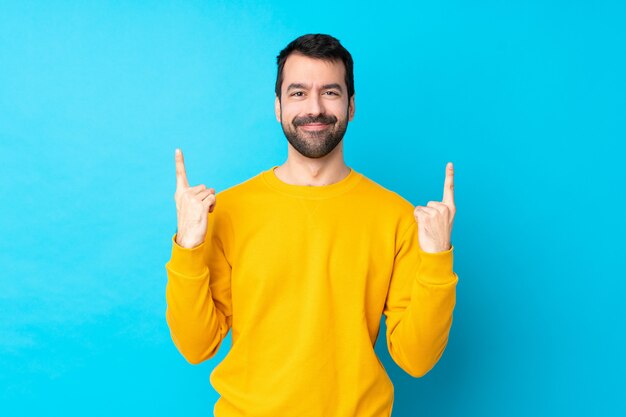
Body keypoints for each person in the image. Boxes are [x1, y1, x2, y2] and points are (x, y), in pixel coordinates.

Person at [165, 33, 458, 417]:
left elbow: (416, 360)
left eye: (331, 93)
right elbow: (195, 346)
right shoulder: (227, 211)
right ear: (278, 106)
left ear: (351, 106)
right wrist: (187, 246)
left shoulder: (396, 217)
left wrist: (436, 258)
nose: (315, 108)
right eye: (299, 93)